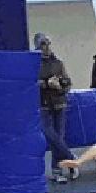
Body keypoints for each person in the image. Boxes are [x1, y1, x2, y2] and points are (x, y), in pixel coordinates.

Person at [35, 33, 77, 184]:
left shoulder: (58, 63)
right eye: (42, 44)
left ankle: (57, 170)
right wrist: (47, 83)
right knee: (50, 134)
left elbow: (67, 83)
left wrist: (60, 85)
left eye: (47, 43)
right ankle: (72, 159)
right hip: (43, 104)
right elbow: (32, 84)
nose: (46, 47)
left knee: (58, 137)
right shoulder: (34, 64)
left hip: (59, 102)